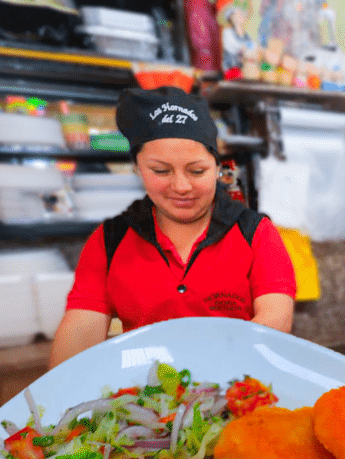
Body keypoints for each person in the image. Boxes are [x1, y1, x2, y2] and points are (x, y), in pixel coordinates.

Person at [50, 86, 296, 367]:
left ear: (218, 167)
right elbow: (81, 331)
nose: (181, 187)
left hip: (237, 384)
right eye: (161, 171)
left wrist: (200, 378)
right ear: (137, 168)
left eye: (197, 171)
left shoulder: (256, 233)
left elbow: (275, 320)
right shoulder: (110, 241)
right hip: (146, 393)